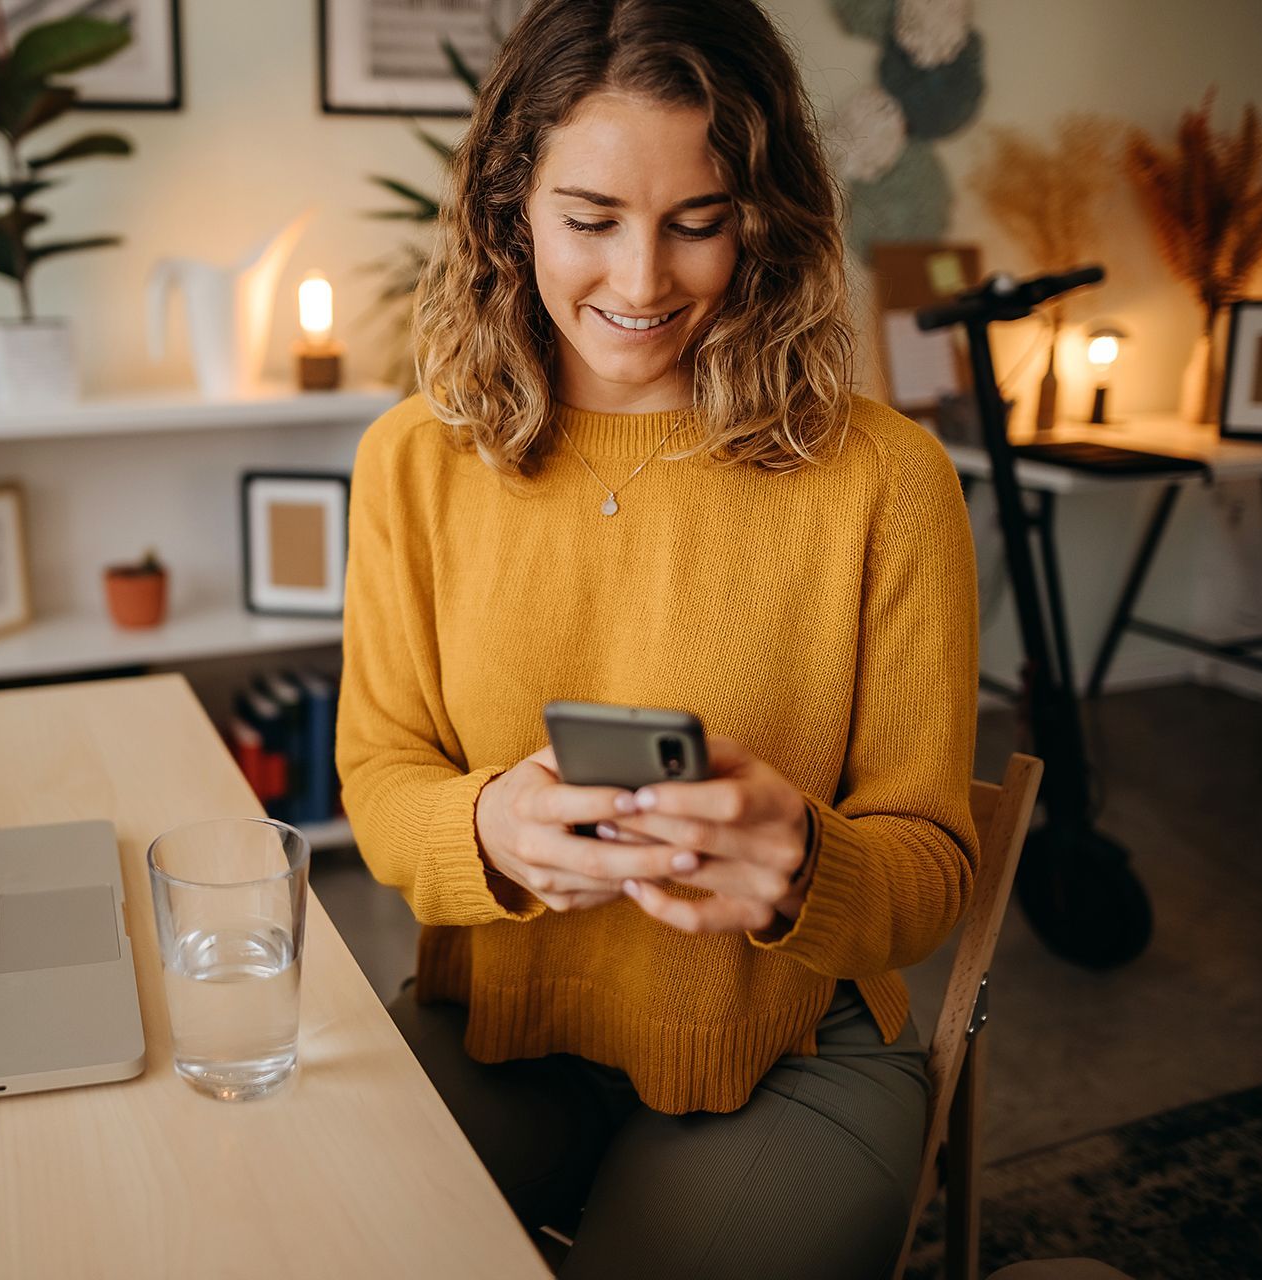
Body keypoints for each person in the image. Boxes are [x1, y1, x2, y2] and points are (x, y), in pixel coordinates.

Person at [333, 1, 981, 1276]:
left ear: (765, 214)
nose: (641, 284)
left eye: (699, 222)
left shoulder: (886, 479)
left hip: (796, 1048)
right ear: (509, 205)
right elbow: (380, 776)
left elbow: (932, 862)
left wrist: (806, 864)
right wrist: (483, 829)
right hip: (499, 1029)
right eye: (590, 221)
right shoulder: (411, 460)